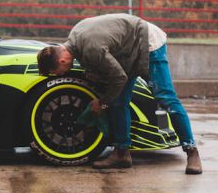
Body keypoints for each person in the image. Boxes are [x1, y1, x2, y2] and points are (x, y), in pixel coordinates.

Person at [36, 14, 202, 174]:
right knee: (117, 101)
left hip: (147, 42)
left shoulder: (91, 48)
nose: (60, 75)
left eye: (57, 72)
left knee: (166, 99)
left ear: (62, 61)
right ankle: (122, 154)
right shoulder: (75, 36)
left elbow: (119, 78)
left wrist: (101, 103)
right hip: (127, 51)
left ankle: (192, 151)